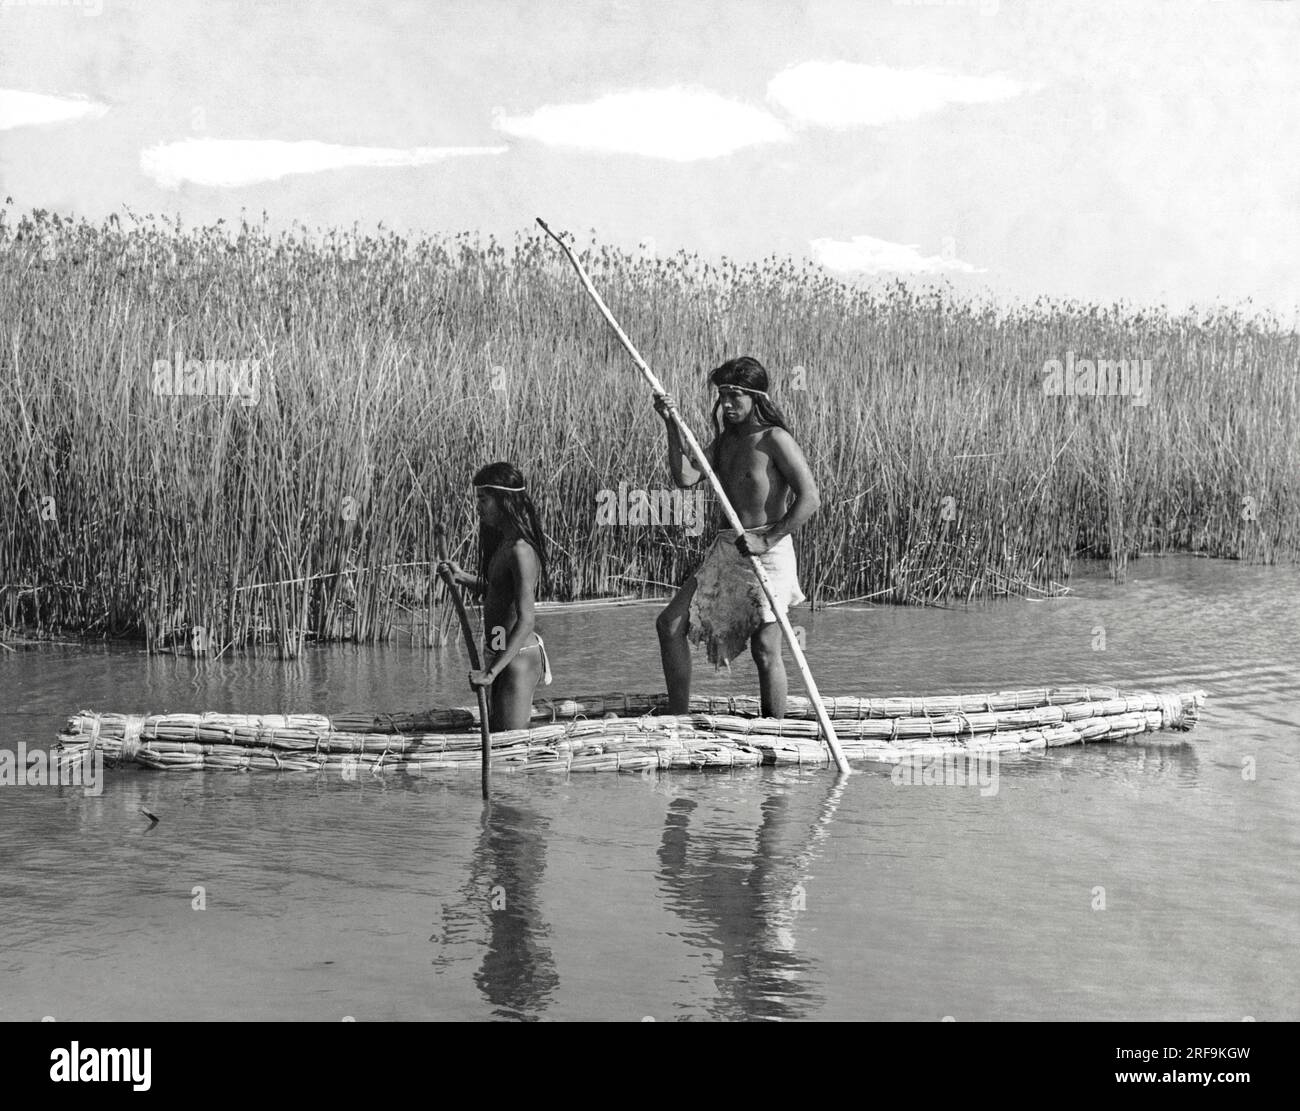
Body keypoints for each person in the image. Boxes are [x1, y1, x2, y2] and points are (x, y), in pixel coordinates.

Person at [654, 356, 819, 717]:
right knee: (670, 624)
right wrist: (670, 425)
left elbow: (810, 499)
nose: (726, 405)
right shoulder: (725, 441)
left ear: (756, 397)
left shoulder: (775, 439)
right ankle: (678, 719)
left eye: (735, 396)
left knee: (764, 648)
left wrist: (768, 539)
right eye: (722, 396)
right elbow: (685, 478)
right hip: (729, 548)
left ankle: (775, 731)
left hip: (769, 551)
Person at [438, 462, 552, 731]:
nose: (478, 507)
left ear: (505, 500)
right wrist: (462, 577)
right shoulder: (504, 543)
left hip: (517, 659)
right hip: (499, 652)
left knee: (511, 748)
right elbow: (498, 591)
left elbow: (526, 620)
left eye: (483, 499)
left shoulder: (521, 551)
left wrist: (490, 673)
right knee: (500, 733)